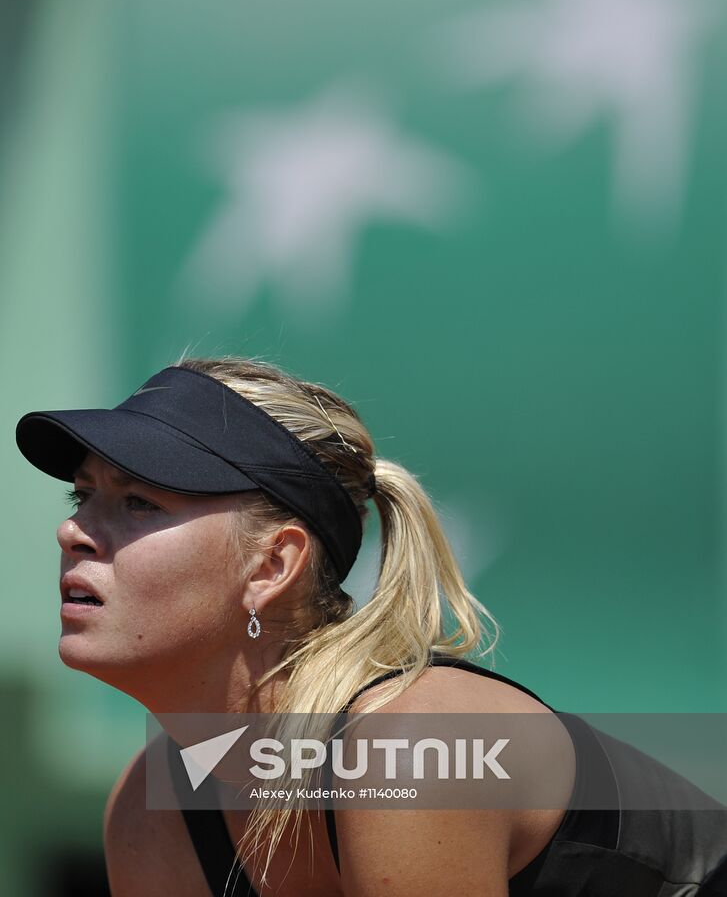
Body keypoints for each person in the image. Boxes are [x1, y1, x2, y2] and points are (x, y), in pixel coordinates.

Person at [15, 355, 727, 897]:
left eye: (139, 502)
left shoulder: (406, 745)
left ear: (272, 566)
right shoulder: (151, 805)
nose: (72, 530)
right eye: (84, 493)